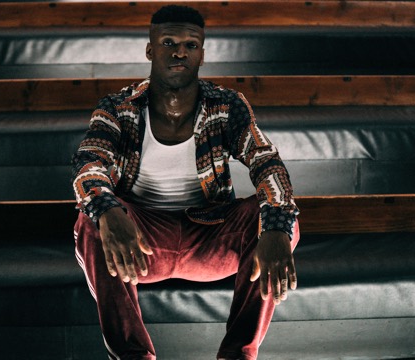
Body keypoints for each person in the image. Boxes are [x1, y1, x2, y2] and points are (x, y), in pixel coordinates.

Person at [71, 5, 300, 360]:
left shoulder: (226, 105)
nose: (180, 52)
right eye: (169, 42)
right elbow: (89, 162)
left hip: (210, 236)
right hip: (140, 243)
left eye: (191, 45)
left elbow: (266, 161)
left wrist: (275, 230)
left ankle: (238, 355)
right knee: (91, 219)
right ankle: (132, 356)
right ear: (150, 50)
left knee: (277, 217)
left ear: (202, 54)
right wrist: (108, 211)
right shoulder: (119, 107)